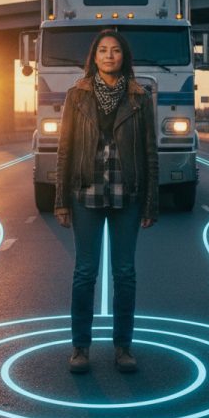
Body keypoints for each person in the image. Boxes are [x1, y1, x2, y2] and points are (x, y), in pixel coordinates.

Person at [54, 29, 158, 374]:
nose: (109, 55)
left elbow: (149, 153)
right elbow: (65, 149)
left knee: (125, 274)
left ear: (124, 57)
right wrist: (61, 200)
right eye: (103, 50)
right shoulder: (76, 96)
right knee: (85, 273)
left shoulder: (140, 98)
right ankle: (80, 348)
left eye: (115, 50)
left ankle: (123, 348)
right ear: (94, 57)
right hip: (85, 193)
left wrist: (150, 203)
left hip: (127, 195)